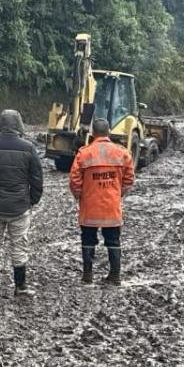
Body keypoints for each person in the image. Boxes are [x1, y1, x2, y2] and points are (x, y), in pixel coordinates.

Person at [0, 109, 43, 297]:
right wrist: (32, 200)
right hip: (20, 206)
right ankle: (20, 286)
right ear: (19, 125)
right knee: (19, 245)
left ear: (0, 125)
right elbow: (37, 178)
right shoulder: (28, 148)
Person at [69, 118, 135, 285]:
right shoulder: (122, 153)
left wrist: (79, 196)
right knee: (113, 240)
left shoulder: (84, 153)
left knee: (88, 239)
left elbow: (74, 180)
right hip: (111, 207)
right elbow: (129, 178)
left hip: (90, 207)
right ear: (109, 133)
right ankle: (114, 275)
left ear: (92, 133)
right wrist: (119, 194)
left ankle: (87, 276)